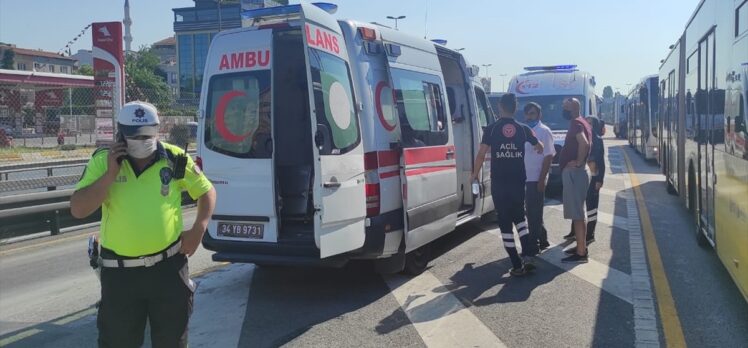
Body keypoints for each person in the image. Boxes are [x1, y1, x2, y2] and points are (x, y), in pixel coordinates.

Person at [70, 101, 216, 348]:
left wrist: (199, 229)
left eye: (148, 135)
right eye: (134, 136)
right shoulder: (103, 161)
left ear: (158, 130)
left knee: (172, 341)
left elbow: (207, 191)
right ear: (120, 133)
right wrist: (110, 176)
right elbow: (78, 209)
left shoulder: (174, 158)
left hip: (168, 268)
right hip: (120, 274)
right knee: (118, 342)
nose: (142, 141)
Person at [471, 93, 544, 276]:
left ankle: (516, 265)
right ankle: (527, 255)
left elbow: (481, 155)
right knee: (520, 218)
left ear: (500, 107)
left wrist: (474, 175)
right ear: (515, 108)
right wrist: (535, 149)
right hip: (519, 181)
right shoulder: (524, 129)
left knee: (504, 222)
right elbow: (540, 145)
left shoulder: (492, 129)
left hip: (500, 183)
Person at [558, 98, 592, 263]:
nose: (563, 109)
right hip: (580, 173)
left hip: (575, 173)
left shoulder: (576, 124)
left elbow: (584, 144)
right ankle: (581, 247)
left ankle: (581, 252)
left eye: (565, 107)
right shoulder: (583, 122)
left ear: (572, 109)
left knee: (577, 214)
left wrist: (578, 163)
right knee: (580, 212)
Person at [564, 116, 606, 249]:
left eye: (589, 122)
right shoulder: (582, 136)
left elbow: (601, 161)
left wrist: (599, 180)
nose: (586, 124)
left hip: (593, 176)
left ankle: (590, 234)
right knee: (578, 205)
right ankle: (574, 232)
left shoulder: (597, 139)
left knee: (591, 207)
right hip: (581, 175)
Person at [522, 102, 556, 251]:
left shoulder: (544, 131)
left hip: (536, 178)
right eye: (528, 113)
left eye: (533, 113)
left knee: (534, 212)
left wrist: (542, 179)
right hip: (525, 177)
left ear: (539, 115)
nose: (530, 116)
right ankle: (542, 239)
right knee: (531, 211)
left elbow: (548, 157)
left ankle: (533, 245)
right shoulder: (524, 130)